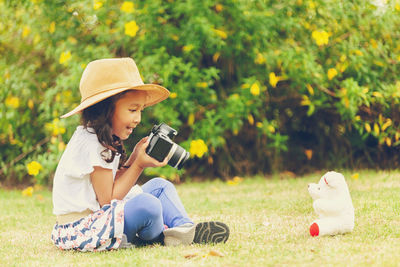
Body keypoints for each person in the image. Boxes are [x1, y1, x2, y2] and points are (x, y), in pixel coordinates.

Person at [51, 58, 229, 252]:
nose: (138, 119)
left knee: (160, 187)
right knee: (148, 205)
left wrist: (135, 157)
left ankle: (184, 229)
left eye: (141, 110)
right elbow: (108, 201)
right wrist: (138, 166)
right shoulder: (93, 143)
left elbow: (111, 184)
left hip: (103, 220)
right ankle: (159, 234)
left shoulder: (100, 138)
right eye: (132, 110)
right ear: (105, 109)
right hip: (84, 229)